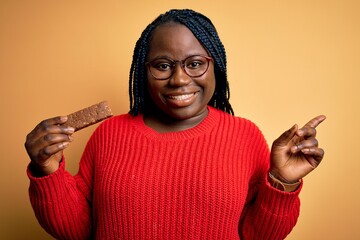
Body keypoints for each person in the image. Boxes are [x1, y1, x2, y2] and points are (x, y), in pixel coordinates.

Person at [25, 9, 326, 240]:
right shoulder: (109, 134)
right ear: (144, 70)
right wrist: (47, 171)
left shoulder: (244, 135)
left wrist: (282, 182)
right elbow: (78, 231)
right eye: (163, 65)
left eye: (194, 63)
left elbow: (257, 236)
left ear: (215, 67)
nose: (179, 79)